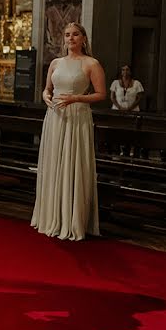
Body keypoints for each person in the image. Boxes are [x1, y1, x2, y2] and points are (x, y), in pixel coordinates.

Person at [32, 22, 107, 241]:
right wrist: (46, 96)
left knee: (72, 164)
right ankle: (52, 215)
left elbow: (101, 94)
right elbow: (47, 89)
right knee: (55, 163)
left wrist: (76, 98)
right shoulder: (55, 63)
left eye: (75, 34)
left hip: (77, 117)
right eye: (67, 35)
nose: (70, 38)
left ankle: (72, 219)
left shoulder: (91, 63)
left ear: (83, 38)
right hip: (55, 117)